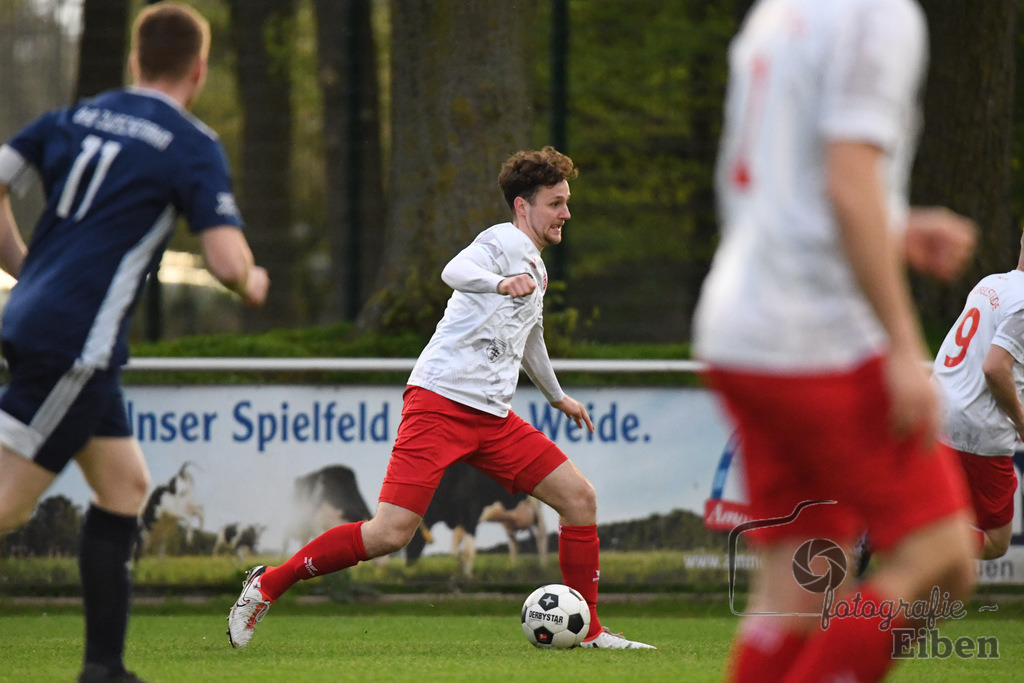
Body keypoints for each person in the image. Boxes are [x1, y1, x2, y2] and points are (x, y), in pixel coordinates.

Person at [227, 146, 654, 651]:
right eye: (556, 203)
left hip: (493, 419)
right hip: (440, 404)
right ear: (523, 206)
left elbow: (531, 339)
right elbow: (453, 270)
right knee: (389, 535)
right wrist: (498, 282)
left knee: (579, 500)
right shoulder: (500, 241)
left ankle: (590, 633)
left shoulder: (536, 269)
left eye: (566, 203)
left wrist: (558, 397)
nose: (566, 213)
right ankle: (267, 585)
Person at [692, 1, 978, 681]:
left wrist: (897, 227)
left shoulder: (783, 10)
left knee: (798, 587)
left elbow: (787, 185)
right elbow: (848, 183)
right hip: (815, 337)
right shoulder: (877, 14)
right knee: (942, 558)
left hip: (742, 325)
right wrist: (902, 343)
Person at [0, 3, 269, 681]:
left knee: (124, 484)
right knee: (7, 503)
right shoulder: (190, 143)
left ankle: (104, 668)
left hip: (42, 319)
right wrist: (254, 280)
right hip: (78, 344)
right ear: (199, 70)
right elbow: (229, 264)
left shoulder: (75, 116)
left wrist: (22, 266)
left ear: (134, 61)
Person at [932, 232, 1024, 561]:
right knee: (996, 540)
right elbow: (995, 368)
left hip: (939, 409)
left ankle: (899, 534)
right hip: (978, 428)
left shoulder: (992, 283)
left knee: (943, 508)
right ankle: (901, 539)